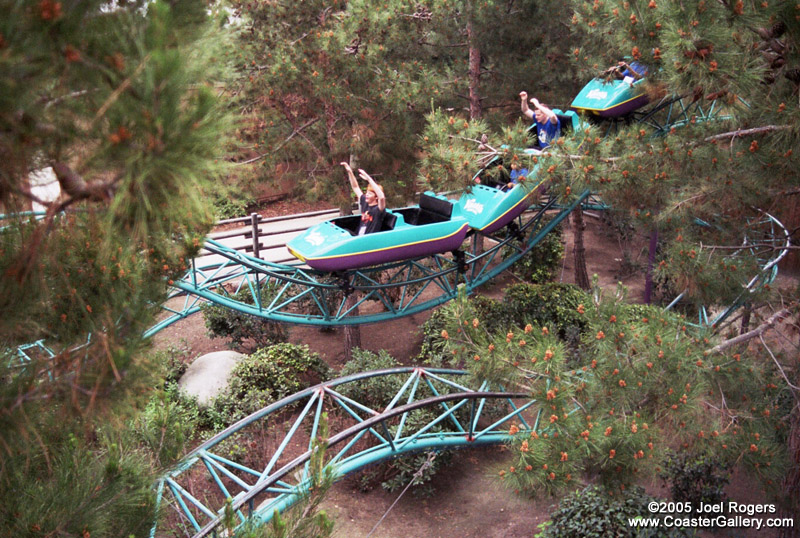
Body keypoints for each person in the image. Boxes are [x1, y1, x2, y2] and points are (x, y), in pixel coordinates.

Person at [341, 162, 386, 235]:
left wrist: (368, 179)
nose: (367, 195)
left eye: (370, 193)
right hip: (359, 236)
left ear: (376, 197)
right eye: (366, 193)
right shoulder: (365, 202)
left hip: (368, 239)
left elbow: (382, 197)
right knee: (344, 232)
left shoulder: (378, 209)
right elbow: (355, 187)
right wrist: (350, 172)